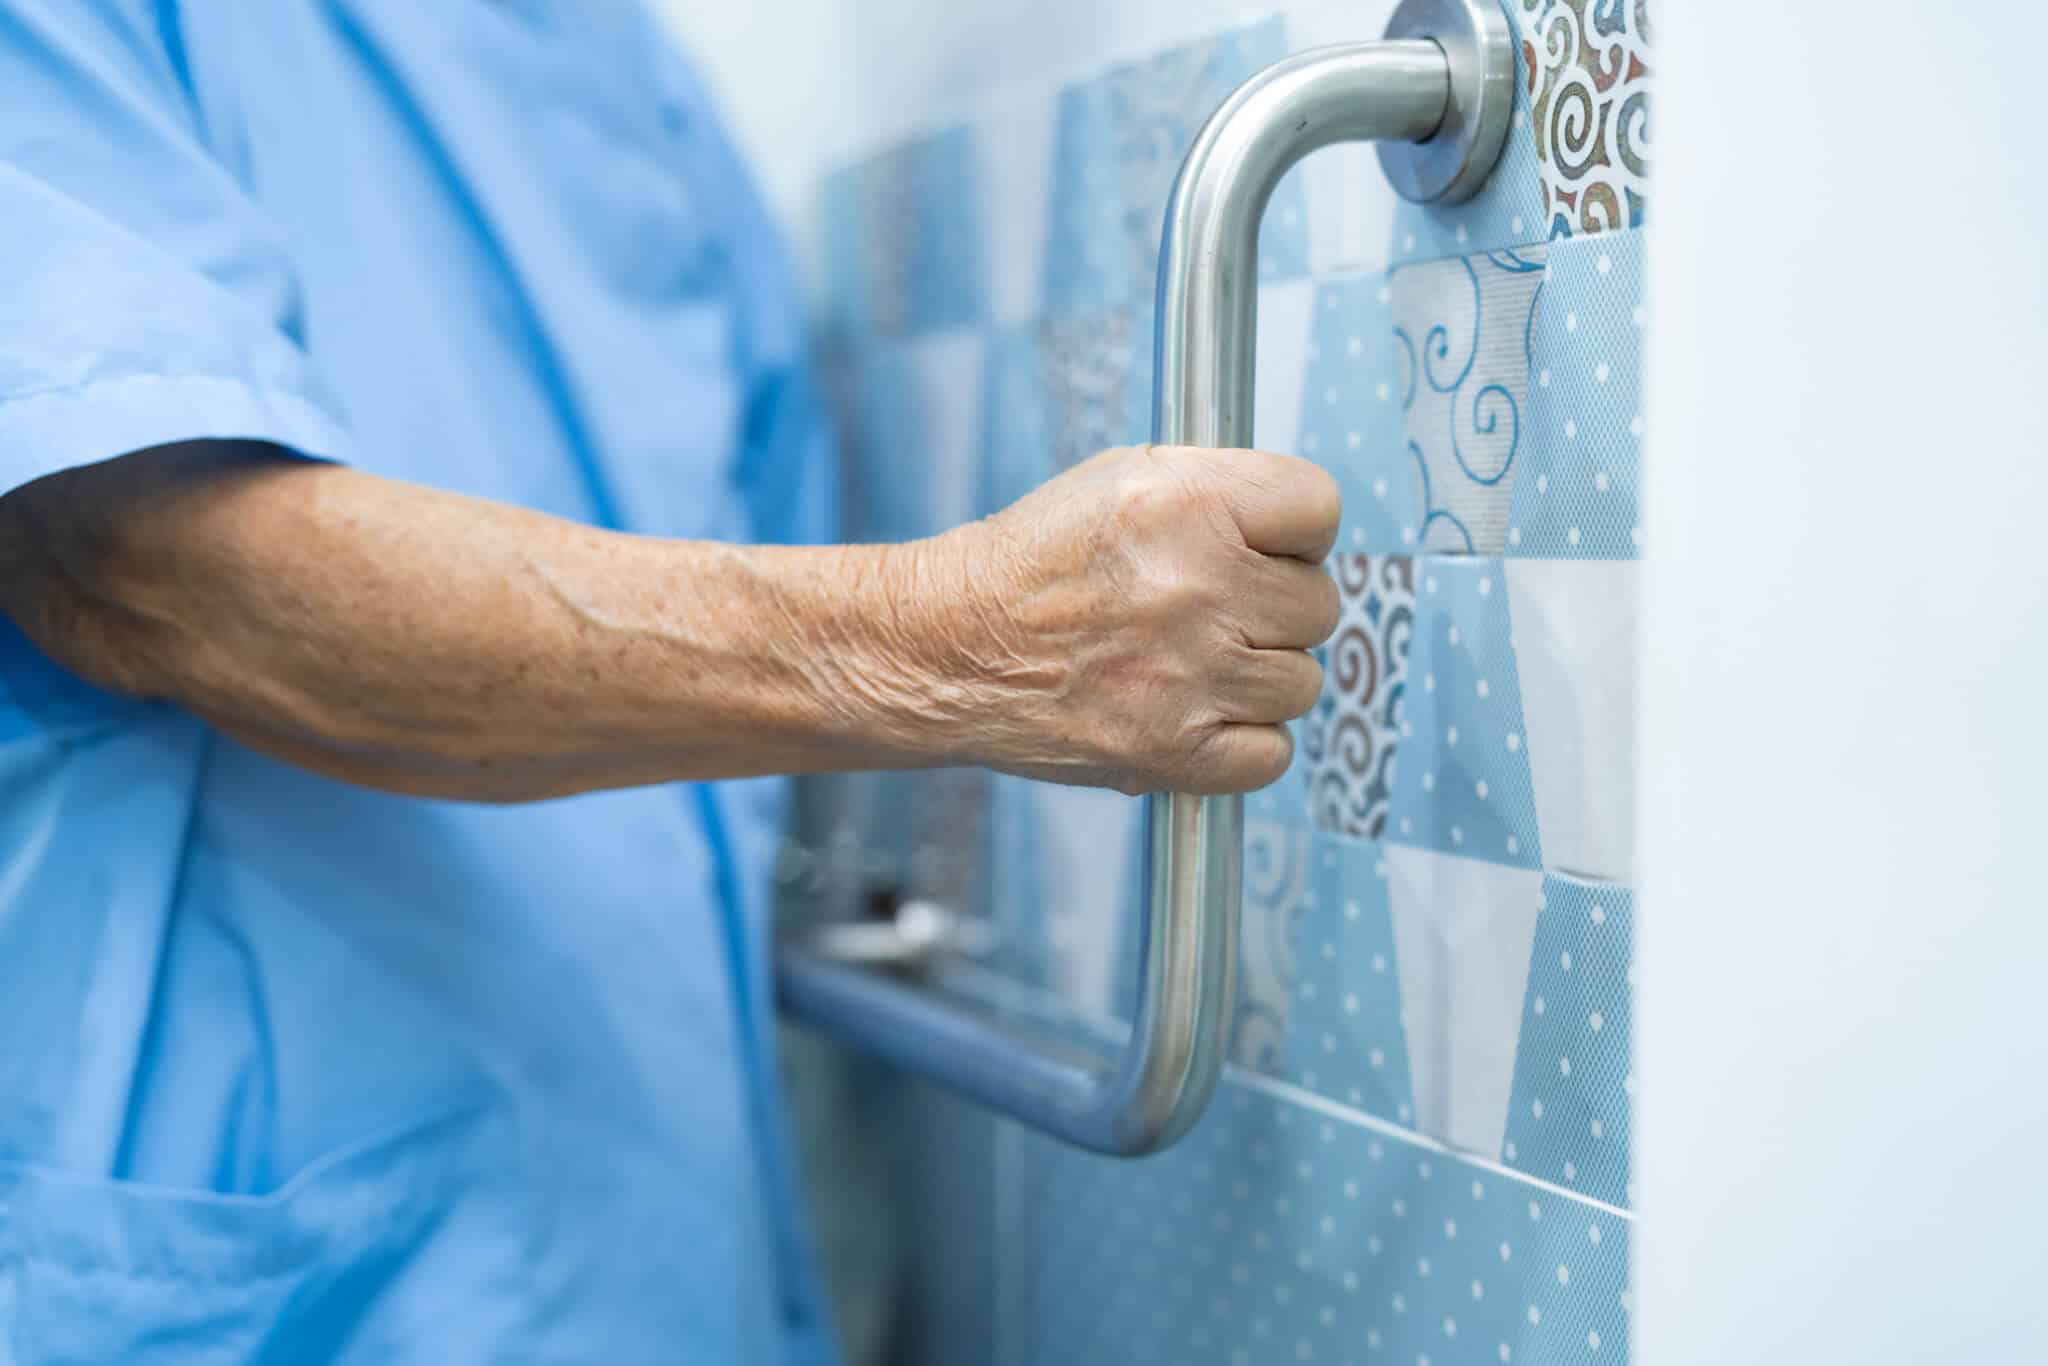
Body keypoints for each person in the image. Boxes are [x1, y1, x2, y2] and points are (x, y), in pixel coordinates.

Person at [0, 2, 1339, 1360]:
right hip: (289, 1297)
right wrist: (962, 642)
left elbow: (724, 788)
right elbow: (147, 566)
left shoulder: (622, 83)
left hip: (671, 1272)